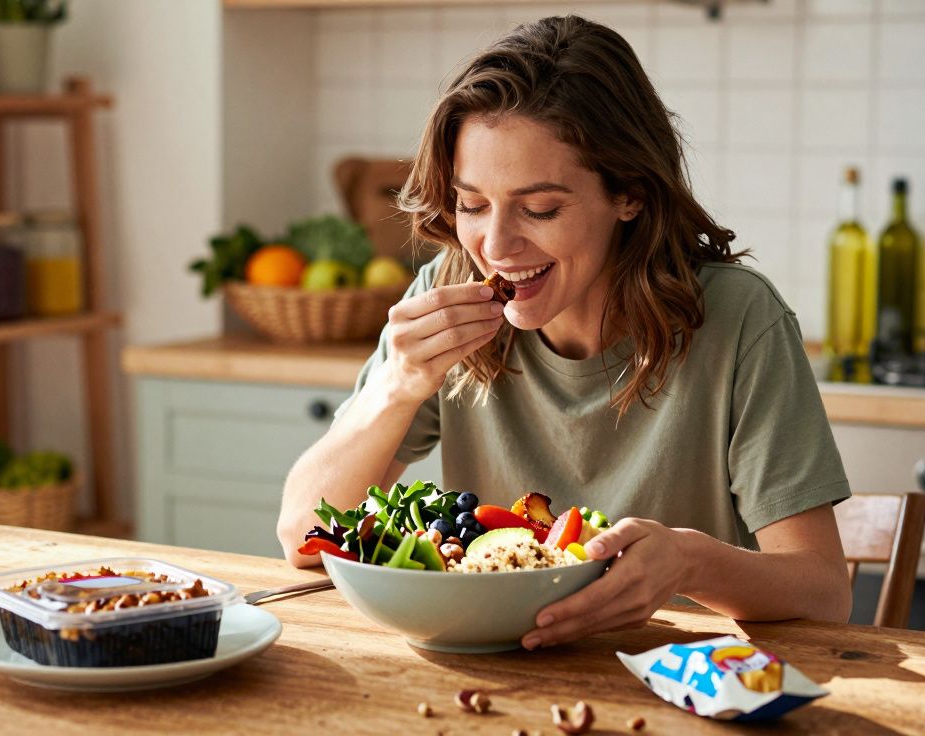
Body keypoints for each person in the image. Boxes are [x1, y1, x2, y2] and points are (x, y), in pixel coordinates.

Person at [277, 15, 852, 649]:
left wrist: (689, 561)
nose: (496, 245)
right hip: (495, 672)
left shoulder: (739, 319)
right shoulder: (446, 291)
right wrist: (398, 386)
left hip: (679, 680)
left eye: (541, 208)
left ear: (628, 193)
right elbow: (302, 538)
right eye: (472, 204)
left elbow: (824, 592)